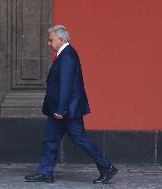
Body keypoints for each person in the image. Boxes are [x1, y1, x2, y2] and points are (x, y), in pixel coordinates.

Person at [24, 25, 117, 184]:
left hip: (66, 110)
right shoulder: (65, 54)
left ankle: (106, 166)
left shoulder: (67, 56)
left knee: (80, 139)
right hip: (59, 109)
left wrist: (61, 109)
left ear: (60, 40)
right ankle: (45, 172)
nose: (48, 43)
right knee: (50, 140)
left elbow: (66, 84)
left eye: (51, 40)